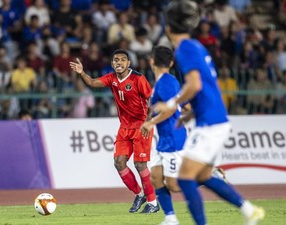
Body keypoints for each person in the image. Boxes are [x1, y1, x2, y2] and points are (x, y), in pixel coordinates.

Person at [153, 1, 265, 225]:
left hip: (211, 124)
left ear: (167, 28)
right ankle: (249, 210)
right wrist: (190, 114)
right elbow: (207, 86)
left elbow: (194, 85)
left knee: (184, 180)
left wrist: (172, 104)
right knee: (202, 176)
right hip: (212, 118)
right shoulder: (196, 46)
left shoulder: (184, 48)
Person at [70, 49, 160, 213]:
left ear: (128, 63)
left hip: (141, 125)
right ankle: (140, 194)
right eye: (116, 60)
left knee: (140, 164)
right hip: (124, 127)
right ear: (112, 64)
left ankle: (153, 202)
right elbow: (91, 83)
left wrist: (148, 121)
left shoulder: (138, 78)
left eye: (122, 60)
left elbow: (151, 99)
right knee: (119, 162)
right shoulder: (111, 78)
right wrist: (81, 72)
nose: (119, 62)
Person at [140, 46, 185, 225]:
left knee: (173, 186)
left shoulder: (166, 81)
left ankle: (208, 177)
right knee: (156, 178)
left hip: (173, 138)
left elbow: (171, 108)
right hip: (164, 138)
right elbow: (180, 105)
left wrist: (151, 122)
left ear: (152, 61)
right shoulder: (163, 82)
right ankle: (170, 218)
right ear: (171, 62)